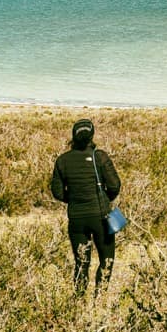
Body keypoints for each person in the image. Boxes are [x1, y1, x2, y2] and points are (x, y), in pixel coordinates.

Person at [50, 117, 122, 294]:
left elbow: (57, 192)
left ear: (73, 137)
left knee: (81, 263)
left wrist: (75, 199)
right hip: (101, 217)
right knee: (106, 260)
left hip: (77, 218)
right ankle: (100, 298)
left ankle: (79, 300)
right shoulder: (100, 157)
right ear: (92, 136)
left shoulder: (62, 161)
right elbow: (115, 185)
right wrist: (105, 199)